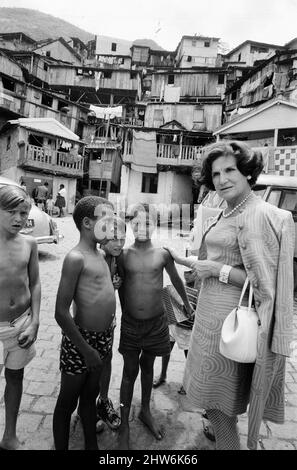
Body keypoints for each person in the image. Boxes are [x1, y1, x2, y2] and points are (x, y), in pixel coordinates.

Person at [165, 140, 295, 450]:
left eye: (230, 170)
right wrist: (185, 261)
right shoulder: (229, 209)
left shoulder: (257, 214)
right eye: (216, 173)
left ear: (248, 173)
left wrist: (216, 271)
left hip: (230, 327)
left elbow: (266, 286)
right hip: (211, 323)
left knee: (219, 409)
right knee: (217, 406)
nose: (222, 179)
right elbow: (220, 259)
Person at [116, 203, 193, 450]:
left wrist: (186, 305)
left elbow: (175, 279)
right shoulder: (123, 255)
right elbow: (117, 284)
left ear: (155, 225)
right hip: (130, 324)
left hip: (156, 322)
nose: (142, 228)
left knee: (147, 367)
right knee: (129, 372)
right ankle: (124, 423)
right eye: (137, 223)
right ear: (130, 225)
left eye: (147, 223)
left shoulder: (162, 254)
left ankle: (145, 410)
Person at [52, 196, 117, 450]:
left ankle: (92, 446)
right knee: (67, 403)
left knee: (89, 400)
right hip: (80, 342)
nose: (112, 225)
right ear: (88, 223)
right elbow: (60, 312)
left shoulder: (101, 254)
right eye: (107, 219)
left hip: (102, 339)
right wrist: (86, 350)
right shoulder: (75, 258)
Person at [0, 185, 41, 450]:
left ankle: (9, 435)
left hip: (22, 324)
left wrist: (36, 322)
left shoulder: (29, 243)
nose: (18, 218)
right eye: (11, 211)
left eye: (23, 213)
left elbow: (35, 283)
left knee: (16, 378)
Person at [95, 215, 126, 432]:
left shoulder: (115, 258)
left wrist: (116, 284)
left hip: (109, 321)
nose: (119, 243)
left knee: (106, 360)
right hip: (87, 324)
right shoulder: (94, 257)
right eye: (113, 238)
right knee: (89, 365)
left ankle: (103, 402)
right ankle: (85, 405)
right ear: (101, 237)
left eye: (123, 238)